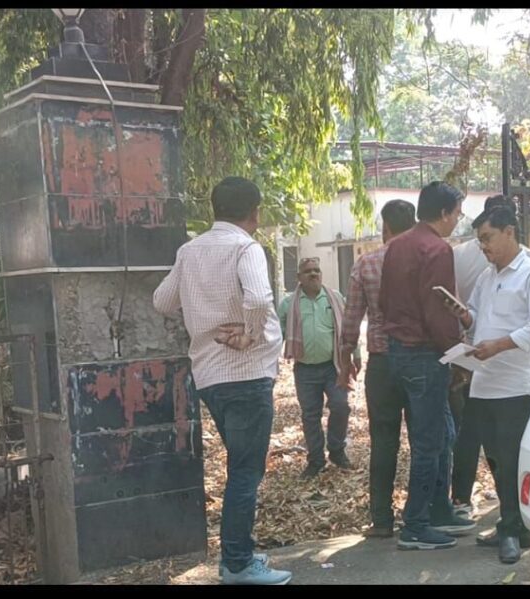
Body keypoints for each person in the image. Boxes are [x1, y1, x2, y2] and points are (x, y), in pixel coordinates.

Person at [153, 176, 292, 585]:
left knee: (241, 465)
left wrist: (201, 307)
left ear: (214, 209)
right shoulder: (245, 247)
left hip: (209, 377)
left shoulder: (189, 251)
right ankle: (237, 563)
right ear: (255, 212)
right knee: (246, 471)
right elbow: (260, 299)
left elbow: (162, 301)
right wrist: (249, 334)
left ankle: (240, 551)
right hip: (247, 375)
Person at [443, 205, 530, 564]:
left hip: (516, 385)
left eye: (488, 238)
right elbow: (478, 319)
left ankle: (511, 530)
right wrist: (464, 316)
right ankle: (515, 527)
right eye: (480, 241)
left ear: (509, 232)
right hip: (484, 382)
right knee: (494, 458)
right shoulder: (487, 277)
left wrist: (499, 345)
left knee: (511, 460)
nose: (484, 247)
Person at [379, 181, 477, 550]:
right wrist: (457, 354)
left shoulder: (397, 244)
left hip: (399, 350)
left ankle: (438, 510)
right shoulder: (437, 249)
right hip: (425, 352)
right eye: (457, 214)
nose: (458, 220)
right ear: (445, 213)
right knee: (429, 442)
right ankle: (416, 524)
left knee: (443, 433)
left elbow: (384, 300)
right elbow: (438, 310)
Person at [337, 199, 416, 538]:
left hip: (382, 364)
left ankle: (382, 519)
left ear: (385, 227)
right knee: (424, 441)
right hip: (419, 360)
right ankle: (420, 514)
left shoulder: (366, 263)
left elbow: (352, 318)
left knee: (383, 441)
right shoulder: (425, 259)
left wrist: (347, 358)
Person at [278, 257, 359, 479]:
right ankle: (315, 460)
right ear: (299, 277)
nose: (313, 274)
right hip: (305, 370)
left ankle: (337, 451)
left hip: (333, 367)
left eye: (316, 270)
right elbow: (277, 335)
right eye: (308, 272)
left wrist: (356, 355)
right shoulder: (288, 304)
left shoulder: (335, 298)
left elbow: (348, 328)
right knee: (310, 415)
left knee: (341, 406)